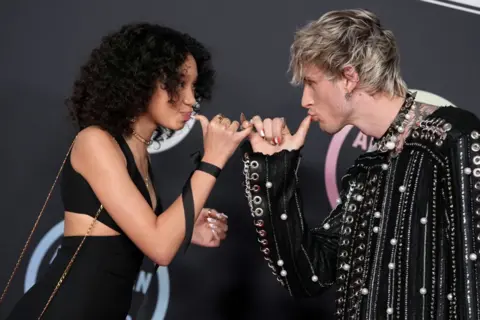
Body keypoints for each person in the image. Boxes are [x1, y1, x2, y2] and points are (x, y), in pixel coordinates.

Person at [240, 8, 480, 319]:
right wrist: (275, 171)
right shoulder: (368, 171)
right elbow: (310, 276)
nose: (305, 100)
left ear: (349, 78)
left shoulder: (452, 138)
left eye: (311, 83)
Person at [1, 23, 252, 319]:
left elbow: (144, 234)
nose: (190, 99)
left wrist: (184, 226)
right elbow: (159, 246)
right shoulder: (96, 141)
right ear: (140, 81)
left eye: (193, 86)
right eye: (177, 84)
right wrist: (213, 160)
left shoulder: (138, 152)